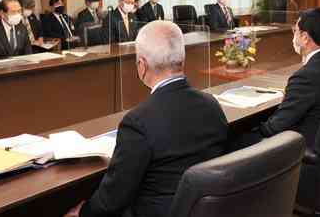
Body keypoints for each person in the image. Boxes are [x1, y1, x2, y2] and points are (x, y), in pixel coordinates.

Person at [65, 20, 228, 217]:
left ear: (141, 66)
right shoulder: (211, 104)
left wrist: (82, 212)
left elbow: (113, 199)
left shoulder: (138, 122)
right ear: (182, 61)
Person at [251, 7, 320, 148]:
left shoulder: (305, 77)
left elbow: (275, 127)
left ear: (305, 38)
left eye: (295, 31)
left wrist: (249, 130)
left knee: (236, 141)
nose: (294, 37)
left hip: (306, 147)